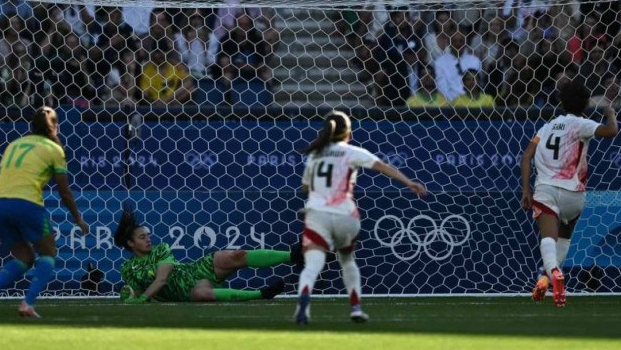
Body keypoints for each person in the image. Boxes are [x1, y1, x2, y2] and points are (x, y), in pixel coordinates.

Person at [295, 111, 427, 324]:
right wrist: (409, 182)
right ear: (348, 132)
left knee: (313, 265)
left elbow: (305, 187)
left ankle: (303, 307)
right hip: (345, 215)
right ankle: (355, 308)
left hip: (317, 215)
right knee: (347, 260)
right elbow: (382, 167)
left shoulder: (315, 154)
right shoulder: (352, 152)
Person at [0, 107, 90, 318]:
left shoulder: (14, 145)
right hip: (26, 203)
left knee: (25, 257)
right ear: (55, 127)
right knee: (48, 253)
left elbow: (6, 182)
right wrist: (78, 218)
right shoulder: (54, 149)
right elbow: (64, 191)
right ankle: (27, 303)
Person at [520, 79, 618, 307]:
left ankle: (553, 271)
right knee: (563, 238)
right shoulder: (582, 124)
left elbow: (526, 156)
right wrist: (611, 113)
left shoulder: (546, 128)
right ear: (585, 104)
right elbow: (611, 131)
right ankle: (545, 277)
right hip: (574, 194)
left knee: (548, 238)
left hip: (546, 191)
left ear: (561, 103)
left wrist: (526, 190)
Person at [114, 206, 303, 303]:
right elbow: (136, 291)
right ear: (130, 243)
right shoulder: (127, 268)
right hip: (186, 292)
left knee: (235, 256)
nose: (148, 239)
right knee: (201, 294)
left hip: (194, 271)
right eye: (142, 237)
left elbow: (162, 279)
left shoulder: (160, 249)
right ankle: (262, 294)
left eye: (148, 235)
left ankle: (293, 256)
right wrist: (130, 296)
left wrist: (142, 299)